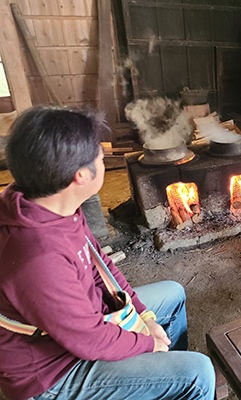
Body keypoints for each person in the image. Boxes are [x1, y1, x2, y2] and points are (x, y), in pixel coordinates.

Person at [0, 106, 215, 400]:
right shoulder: (37, 259)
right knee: (199, 374)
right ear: (79, 176)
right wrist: (147, 344)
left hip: (81, 327)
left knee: (172, 294)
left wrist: (145, 316)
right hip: (51, 373)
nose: (103, 162)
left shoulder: (53, 205)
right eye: (100, 158)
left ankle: (163, 381)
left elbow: (102, 269)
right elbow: (88, 339)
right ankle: (174, 380)